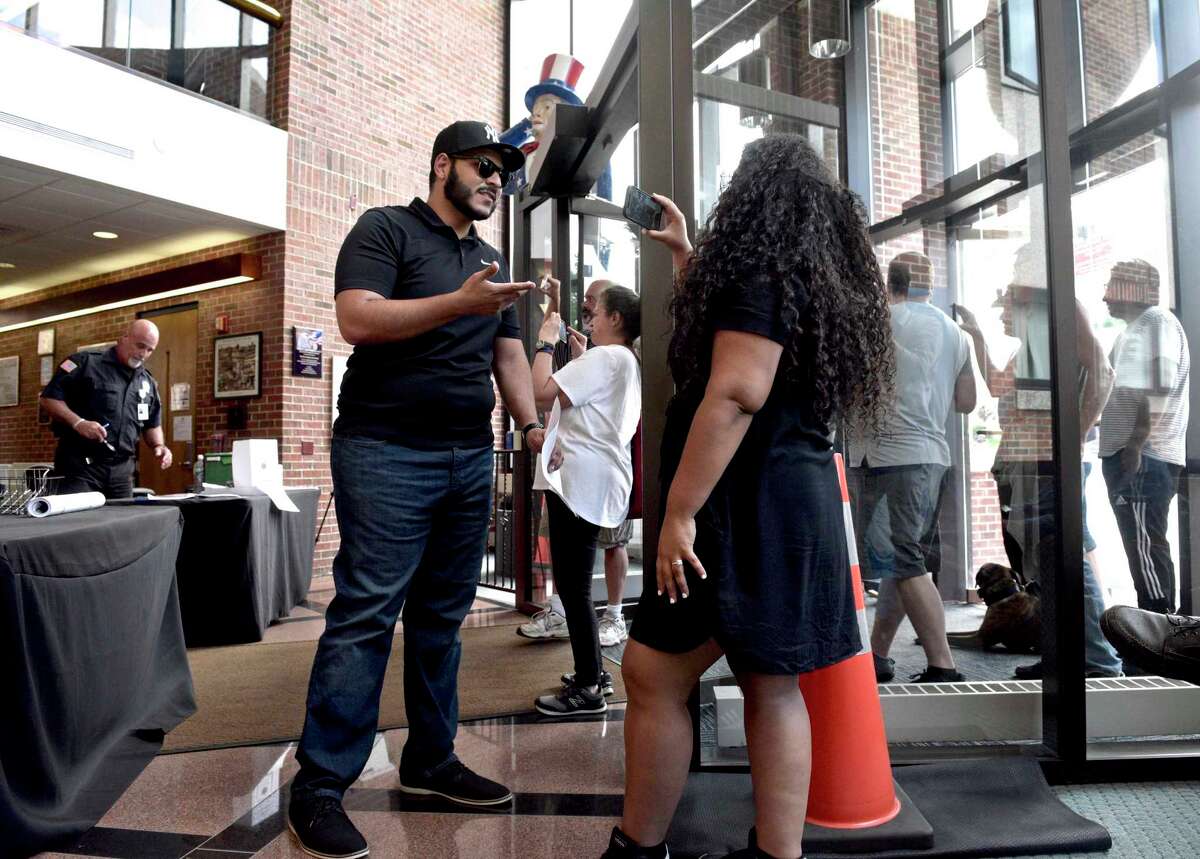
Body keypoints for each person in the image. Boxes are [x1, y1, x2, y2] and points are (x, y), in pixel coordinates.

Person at [603, 134, 894, 859]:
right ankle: (775, 855)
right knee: (772, 682)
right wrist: (683, 252)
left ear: (751, 196)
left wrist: (677, 512)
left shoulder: (762, 269)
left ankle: (638, 850)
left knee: (652, 670)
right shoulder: (809, 273)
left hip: (741, 507)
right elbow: (745, 346)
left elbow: (736, 390)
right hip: (791, 504)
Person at [287, 120, 546, 859]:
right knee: (368, 614)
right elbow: (356, 318)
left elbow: (508, 351)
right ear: (443, 165)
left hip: (468, 456)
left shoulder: (490, 261)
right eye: (483, 166)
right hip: (385, 450)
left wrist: (527, 429)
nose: (495, 179)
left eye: (503, 171)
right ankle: (321, 785)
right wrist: (455, 304)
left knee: (441, 618)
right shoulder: (386, 229)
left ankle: (430, 759)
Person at [957, 255, 1123, 679]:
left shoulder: (1060, 307)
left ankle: (1096, 659)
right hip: (1024, 464)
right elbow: (997, 389)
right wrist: (976, 337)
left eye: (1011, 293)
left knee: (1063, 559)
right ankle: (1062, 655)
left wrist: (1069, 445)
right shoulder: (1032, 345)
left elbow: (1103, 373)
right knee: (1040, 566)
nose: (1006, 306)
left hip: (1047, 464)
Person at [858, 252, 971, 684]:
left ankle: (943, 664)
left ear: (890, 283)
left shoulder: (881, 320)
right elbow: (966, 402)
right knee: (902, 559)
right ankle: (879, 654)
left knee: (903, 558)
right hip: (932, 455)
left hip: (890, 455)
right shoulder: (955, 332)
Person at [528, 285, 641, 716]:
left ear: (615, 320)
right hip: (596, 482)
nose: (589, 316)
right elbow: (587, 412)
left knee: (573, 587)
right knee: (575, 586)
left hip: (581, 485)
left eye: (598, 310)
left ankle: (590, 686)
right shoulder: (622, 360)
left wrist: (546, 338)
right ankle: (591, 672)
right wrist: (578, 358)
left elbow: (541, 391)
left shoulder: (606, 357)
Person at [1099, 259, 1190, 615]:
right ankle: (1157, 636)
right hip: (1138, 455)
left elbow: (1160, 381)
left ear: (1134, 288)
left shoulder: (1155, 321)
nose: (1105, 295)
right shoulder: (1137, 328)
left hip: (1144, 458)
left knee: (1146, 551)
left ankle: (1157, 638)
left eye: (1112, 284)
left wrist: (1136, 443)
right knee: (1144, 551)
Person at [39, 319, 171, 498]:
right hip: (81, 468)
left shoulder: (147, 382)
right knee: (79, 524)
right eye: (140, 346)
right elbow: (48, 398)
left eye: (149, 350)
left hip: (121, 473)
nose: (143, 354)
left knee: (120, 524)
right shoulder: (84, 363)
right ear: (124, 337)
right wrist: (79, 423)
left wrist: (159, 446)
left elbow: (152, 424)